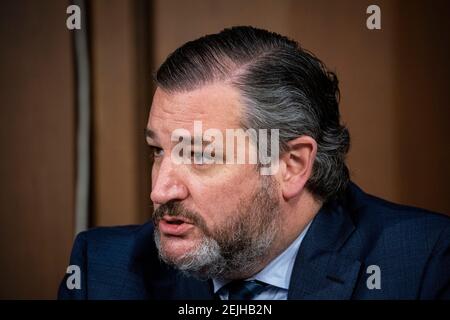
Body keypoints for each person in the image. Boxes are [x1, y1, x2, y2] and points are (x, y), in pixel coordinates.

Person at [58, 26, 450, 300]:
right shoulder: (105, 271)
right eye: (158, 151)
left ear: (292, 165)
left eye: (201, 154)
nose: (159, 190)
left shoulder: (422, 263)